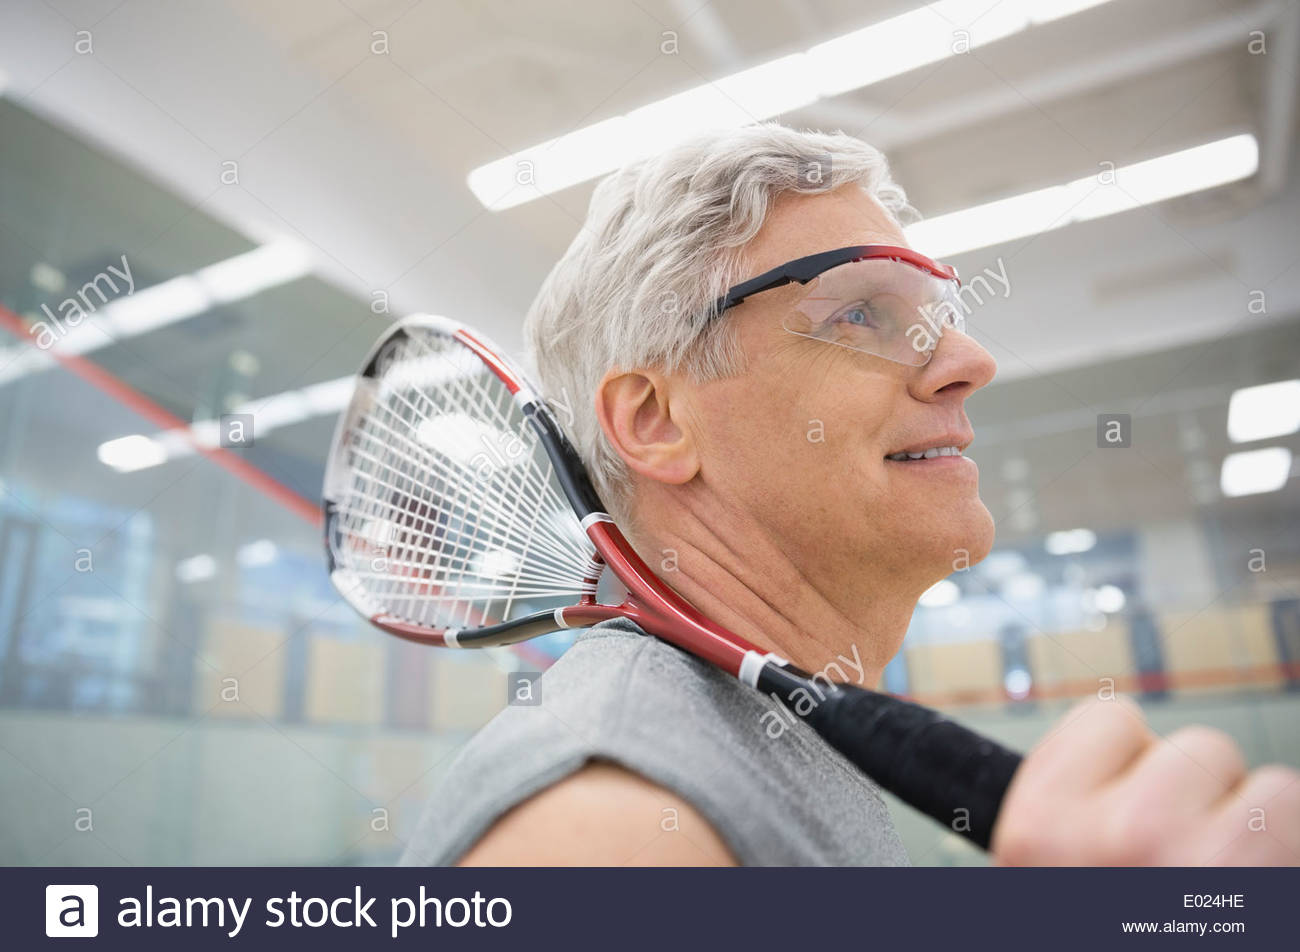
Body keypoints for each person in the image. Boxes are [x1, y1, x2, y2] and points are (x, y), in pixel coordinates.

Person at [401, 124, 1300, 866]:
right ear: (654, 421)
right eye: (860, 313)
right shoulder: (609, 827)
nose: (969, 363)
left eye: (937, 317)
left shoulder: (764, 737)